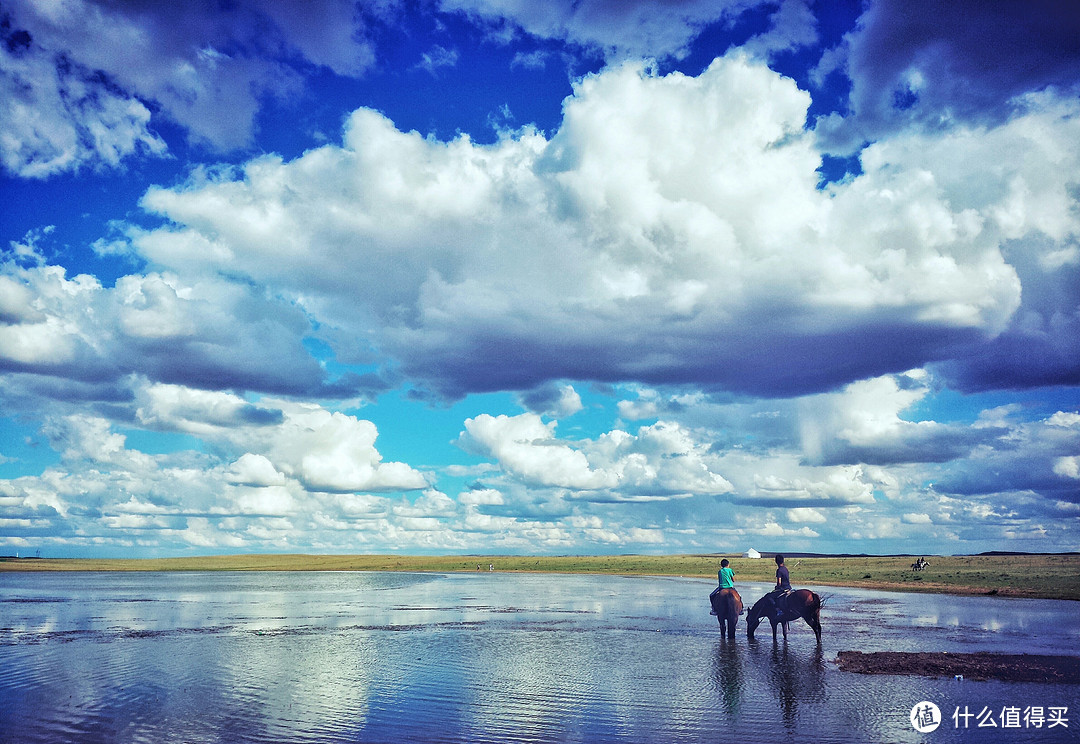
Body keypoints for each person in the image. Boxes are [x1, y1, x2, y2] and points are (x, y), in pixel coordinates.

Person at [770, 554, 792, 619]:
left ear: (776, 561)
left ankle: (779, 610)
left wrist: (777, 587)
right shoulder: (785, 569)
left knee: (770, 597)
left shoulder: (779, 570)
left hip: (783, 588)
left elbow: (779, 582)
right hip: (789, 587)